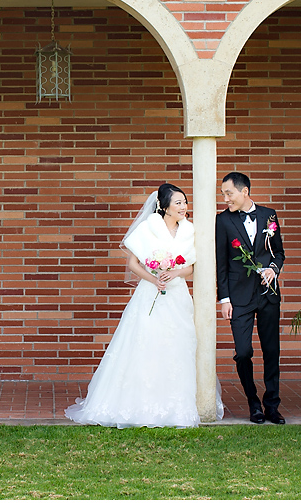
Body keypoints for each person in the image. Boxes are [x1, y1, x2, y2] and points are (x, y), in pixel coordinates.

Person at [65, 183, 223, 428]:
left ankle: (175, 407)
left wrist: (176, 273)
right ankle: (137, 404)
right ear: (164, 206)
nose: (183, 207)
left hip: (177, 296)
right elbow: (133, 263)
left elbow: (191, 267)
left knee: (178, 344)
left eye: (184, 202)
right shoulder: (148, 228)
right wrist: (154, 278)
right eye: (178, 202)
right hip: (150, 293)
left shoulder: (189, 230)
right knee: (145, 343)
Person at [215, 172, 286, 424]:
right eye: (223, 194)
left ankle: (272, 405)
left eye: (228, 193)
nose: (225, 199)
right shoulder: (222, 221)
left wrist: (273, 269)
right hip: (238, 297)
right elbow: (221, 263)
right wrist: (224, 299)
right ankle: (253, 402)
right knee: (243, 352)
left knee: (271, 351)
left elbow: (278, 252)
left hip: (268, 294)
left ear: (244, 192)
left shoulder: (269, 215)